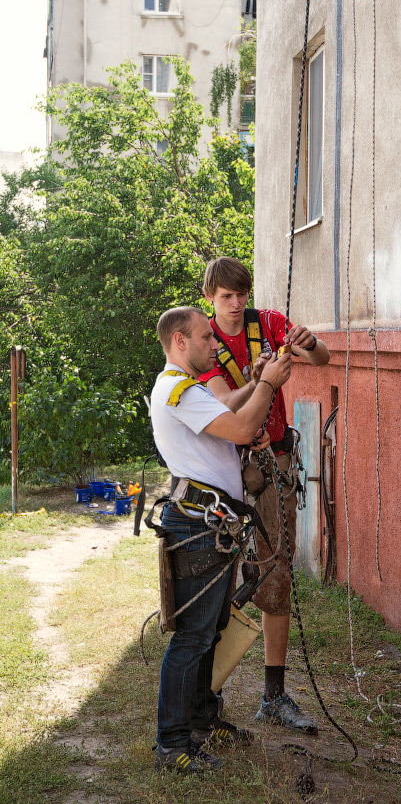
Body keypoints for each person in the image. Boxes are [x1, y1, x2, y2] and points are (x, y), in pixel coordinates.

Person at [150, 305, 291, 772]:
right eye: (206, 338)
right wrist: (269, 382)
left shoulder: (185, 388)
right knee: (192, 638)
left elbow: (228, 408)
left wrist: (257, 382)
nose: (215, 345)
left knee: (210, 631)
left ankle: (202, 720)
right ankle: (172, 744)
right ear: (180, 342)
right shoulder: (178, 389)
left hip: (209, 525)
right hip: (197, 527)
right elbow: (243, 426)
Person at [200, 257, 330, 734]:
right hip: (224, 467)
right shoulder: (202, 340)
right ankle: (205, 695)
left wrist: (309, 343)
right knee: (216, 574)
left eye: (241, 295)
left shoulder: (270, 324)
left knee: (277, 572)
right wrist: (260, 381)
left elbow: (323, 360)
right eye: (226, 297)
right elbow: (219, 404)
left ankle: (273, 695)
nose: (235, 305)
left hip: (273, 461)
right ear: (210, 297)